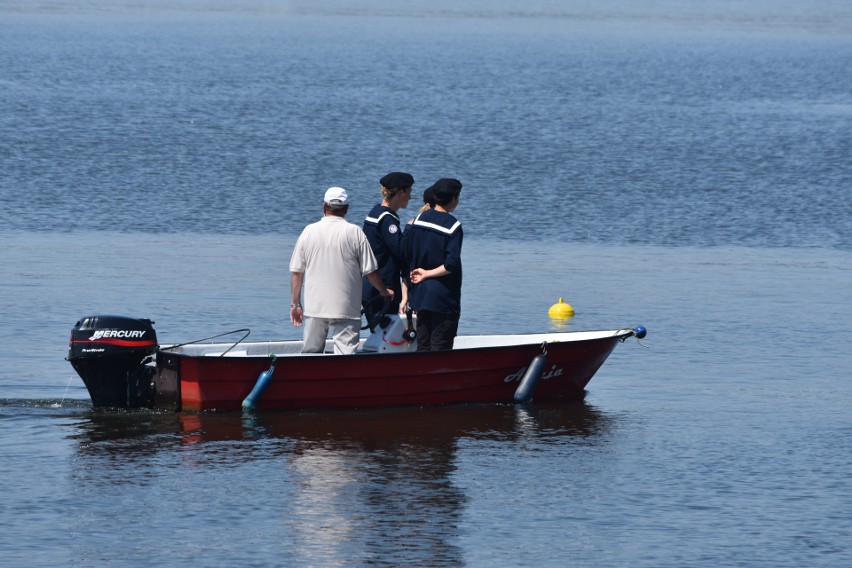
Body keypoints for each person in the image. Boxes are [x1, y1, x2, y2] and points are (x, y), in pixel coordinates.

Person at [290, 186, 393, 354]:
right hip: (346, 309)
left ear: (324, 207)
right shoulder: (355, 232)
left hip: (315, 308)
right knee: (345, 358)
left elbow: (296, 273)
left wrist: (295, 304)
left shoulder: (308, 231)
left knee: (310, 356)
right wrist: (384, 291)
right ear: (346, 209)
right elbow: (371, 272)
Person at [405, 178, 463, 351]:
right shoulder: (453, 226)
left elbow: (408, 255)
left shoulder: (418, 220)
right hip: (443, 298)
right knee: (440, 347)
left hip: (420, 296)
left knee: (423, 346)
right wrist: (427, 273)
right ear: (453, 199)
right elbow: (450, 264)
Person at [361, 172, 413, 327]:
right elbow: (402, 251)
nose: (410, 197)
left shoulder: (374, 212)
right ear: (401, 192)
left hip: (370, 286)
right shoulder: (387, 219)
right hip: (383, 290)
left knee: (379, 335)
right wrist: (411, 228)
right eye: (409, 192)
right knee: (386, 337)